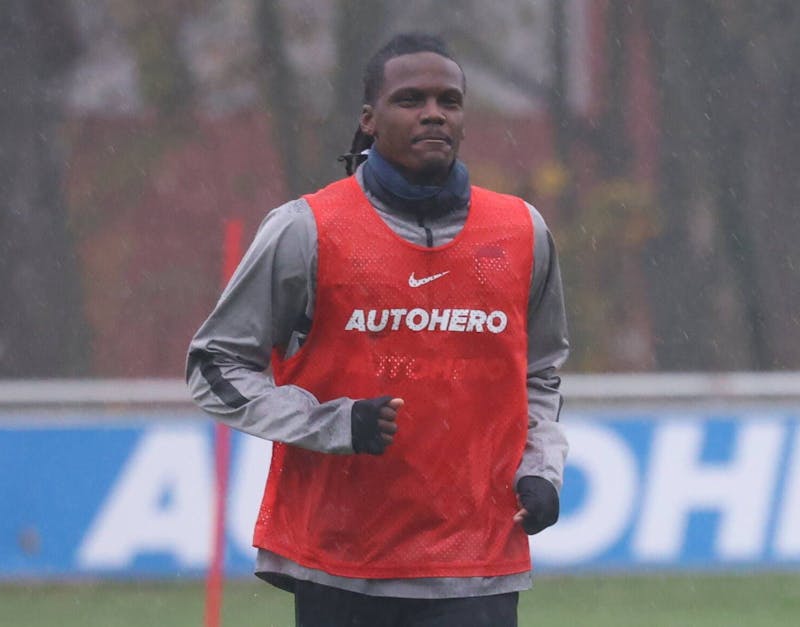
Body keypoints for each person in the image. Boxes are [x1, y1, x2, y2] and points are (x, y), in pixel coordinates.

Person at [187, 32, 568, 626]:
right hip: (341, 560)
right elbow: (214, 366)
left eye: (450, 100)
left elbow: (540, 374)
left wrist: (540, 469)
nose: (434, 113)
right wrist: (332, 422)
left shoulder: (522, 231)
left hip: (476, 563)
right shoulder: (306, 229)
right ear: (369, 118)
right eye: (411, 99)